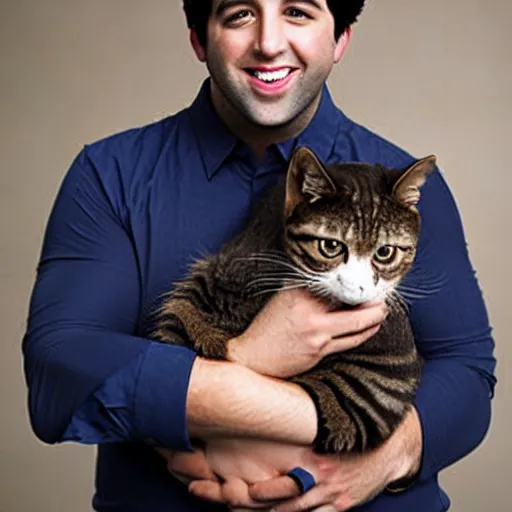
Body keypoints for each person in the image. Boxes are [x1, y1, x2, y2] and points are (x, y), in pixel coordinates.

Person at [22, 1, 496, 511]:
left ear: (340, 39)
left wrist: (381, 459)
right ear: (199, 40)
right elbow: (60, 370)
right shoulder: (110, 175)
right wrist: (251, 357)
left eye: (297, 11)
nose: (269, 42)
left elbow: (467, 372)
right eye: (240, 14)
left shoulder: (403, 186)